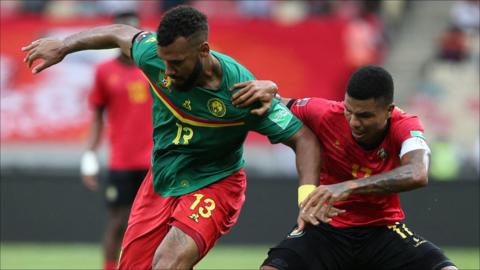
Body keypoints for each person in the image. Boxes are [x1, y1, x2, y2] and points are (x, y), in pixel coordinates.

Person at [22, 5, 335, 269]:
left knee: (168, 262)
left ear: (203, 50)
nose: (168, 72)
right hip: (161, 180)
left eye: (177, 63)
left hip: (214, 183)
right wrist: (64, 46)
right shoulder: (154, 56)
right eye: (164, 61)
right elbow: (118, 32)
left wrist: (305, 196)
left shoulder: (241, 92)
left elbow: (303, 138)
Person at [231, 65, 457, 270]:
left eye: (365, 115)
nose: (354, 122)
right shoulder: (325, 113)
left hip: (383, 229)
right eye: (350, 111)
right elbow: (274, 102)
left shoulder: (405, 125)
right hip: (325, 228)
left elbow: (417, 173)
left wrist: (346, 187)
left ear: (389, 110)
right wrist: (270, 86)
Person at [79, 11, 152, 270]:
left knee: (157, 224)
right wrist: (89, 158)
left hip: (155, 162)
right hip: (121, 161)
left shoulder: (155, 68)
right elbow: (97, 117)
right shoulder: (103, 71)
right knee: (118, 222)